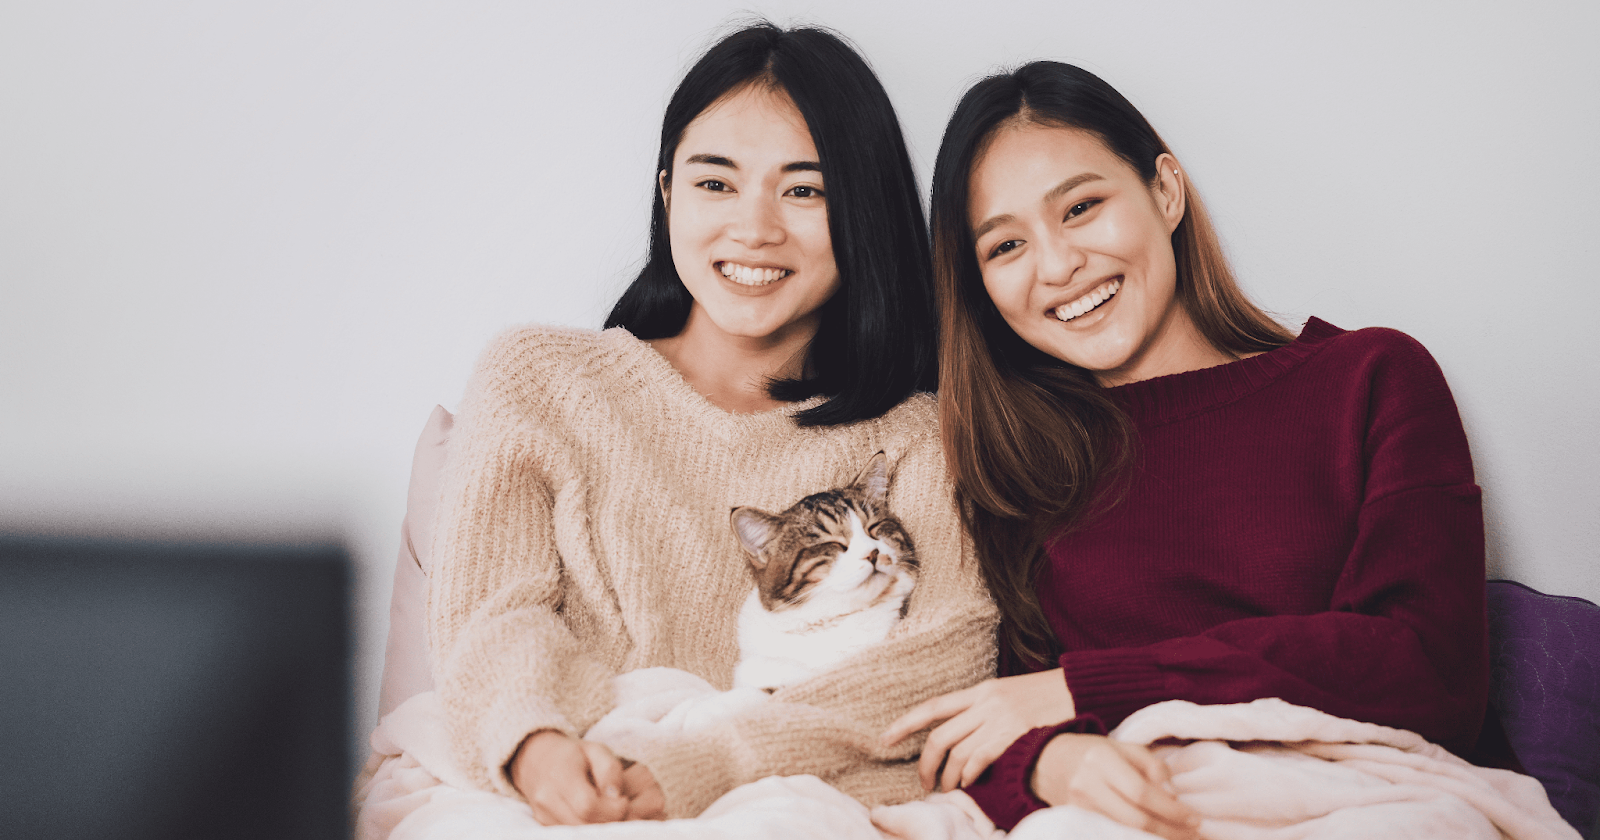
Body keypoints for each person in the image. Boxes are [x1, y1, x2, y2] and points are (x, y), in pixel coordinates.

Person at [882, 61, 1502, 839]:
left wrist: (1093, 688)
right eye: (1005, 247)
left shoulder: (1371, 378)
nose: (1057, 264)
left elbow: (1430, 667)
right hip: (1130, 807)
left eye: (1081, 207)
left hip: (1368, 794)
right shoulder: (1011, 466)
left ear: (1165, 193)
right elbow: (994, 719)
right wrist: (1045, 762)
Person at [414, 22, 997, 828]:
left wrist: (698, 768)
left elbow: (946, 653)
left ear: (860, 211)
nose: (753, 229)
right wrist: (535, 744)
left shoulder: (916, 433)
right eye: (715, 184)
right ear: (666, 193)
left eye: (805, 189)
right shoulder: (540, 378)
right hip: (565, 792)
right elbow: (493, 613)